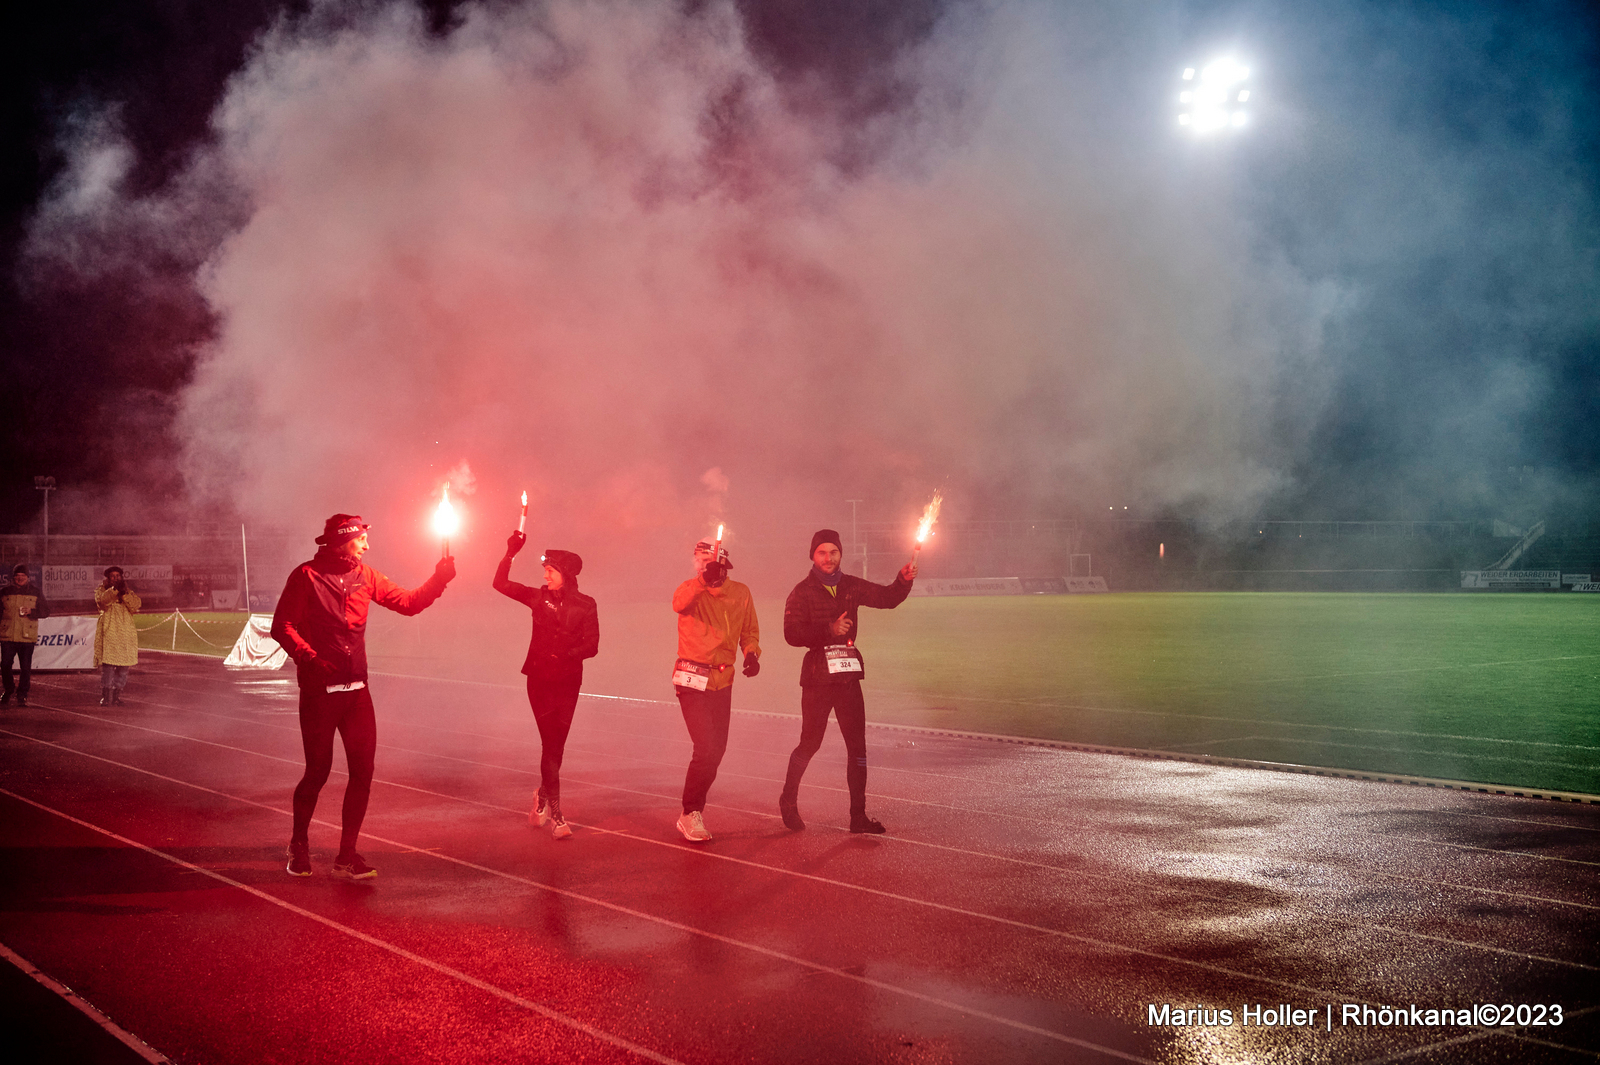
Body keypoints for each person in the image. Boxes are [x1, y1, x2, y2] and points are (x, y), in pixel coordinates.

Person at [271, 514, 455, 880]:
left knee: (363, 774)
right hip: (320, 692)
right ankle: (299, 844)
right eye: (360, 541)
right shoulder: (306, 575)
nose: (367, 546)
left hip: (357, 692)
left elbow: (408, 603)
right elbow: (282, 626)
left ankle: (347, 854)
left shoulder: (366, 576)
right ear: (342, 540)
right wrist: (310, 658)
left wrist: (439, 580)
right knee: (317, 772)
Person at [780, 529, 914, 834]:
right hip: (817, 679)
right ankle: (788, 800)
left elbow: (886, 598)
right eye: (822, 553)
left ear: (841, 554)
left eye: (834, 552)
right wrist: (829, 629)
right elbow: (791, 634)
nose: (829, 558)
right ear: (813, 556)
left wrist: (903, 580)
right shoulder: (801, 592)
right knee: (810, 743)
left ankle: (858, 817)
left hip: (848, 678)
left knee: (857, 747)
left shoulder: (851, 585)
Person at [493, 533, 599, 840]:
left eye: (550, 572)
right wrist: (509, 553)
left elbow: (592, 645)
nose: (544, 576)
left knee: (557, 745)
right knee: (550, 743)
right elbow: (500, 584)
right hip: (539, 680)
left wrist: (568, 653)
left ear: (564, 574)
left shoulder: (586, 605)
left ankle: (541, 797)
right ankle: (557, 813)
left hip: (568, 681)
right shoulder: (537, 597)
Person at [671, 538, 760, 842]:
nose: (700, 566)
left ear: (722, 563)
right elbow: (678, 604)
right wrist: (701, 581)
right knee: (706, 746)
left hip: (723, 680)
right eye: (697, 561)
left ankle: (692, 810)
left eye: (705, 561)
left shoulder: (740, 593)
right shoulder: (689, 589)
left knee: (717, 750)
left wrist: (751, 653)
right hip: (691, 679)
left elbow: (749, 631)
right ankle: (690, 811)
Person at [1, 564, 50, 708]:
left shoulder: (35, 592)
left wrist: (32, 612)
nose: (19, 578)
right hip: (7, 635)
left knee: (26, 668)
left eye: (22, 576)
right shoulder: (4, 592)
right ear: (13, 577)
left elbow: (46, 611)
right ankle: (8, 690)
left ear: (28, 577)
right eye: (17, 576)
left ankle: (22, 694)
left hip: (27, 636)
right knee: (4, 665)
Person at [93, 567, 141, 705]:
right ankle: (106, 696)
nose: (116, 578)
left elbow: (136, 605)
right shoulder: (101, 590)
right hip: (109, 632)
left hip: (125, 633)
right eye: (112, 576)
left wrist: (124, 593)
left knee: (123, 668)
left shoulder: (127, 591)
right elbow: (103, 602)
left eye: (118, 576)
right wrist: (115, 590)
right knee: (108, 666)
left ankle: (116, 696)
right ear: (108, 578)